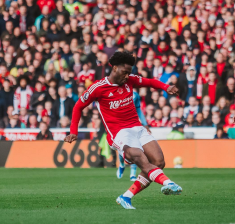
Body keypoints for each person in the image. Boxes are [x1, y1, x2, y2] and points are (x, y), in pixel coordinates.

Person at [65, 51, 182, 210]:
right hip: (119, 133)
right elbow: (78, 106)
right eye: (124, 72)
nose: (127, 76)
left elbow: (149, 82)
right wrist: (74, 131)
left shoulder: (130, 81)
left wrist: (166, 87)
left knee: (159, 162)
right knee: (140, 159)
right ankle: (169, 183)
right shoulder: (98, 88)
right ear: (114, 68)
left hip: (137, 128)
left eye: (129, 73)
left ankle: (125, 197)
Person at [116, 89, 150, 182]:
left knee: (135, 147)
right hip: (119, 126)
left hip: (133, 125)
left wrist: (145, 124)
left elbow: (138, 110)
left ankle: (132, 174)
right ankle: (122, 164)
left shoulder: (135, 95)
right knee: (122, 149)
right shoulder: (115, 93)